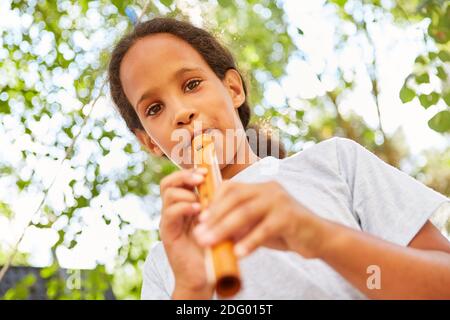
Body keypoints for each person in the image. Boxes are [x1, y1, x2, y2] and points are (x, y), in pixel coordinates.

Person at [108, 17, 450, 299]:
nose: (181, 113)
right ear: (149, 142)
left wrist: (321, 238)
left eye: (192, 84)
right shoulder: (164, 262)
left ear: (233, 89)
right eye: (154, 108)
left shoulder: (334, 163)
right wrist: (192, 291)